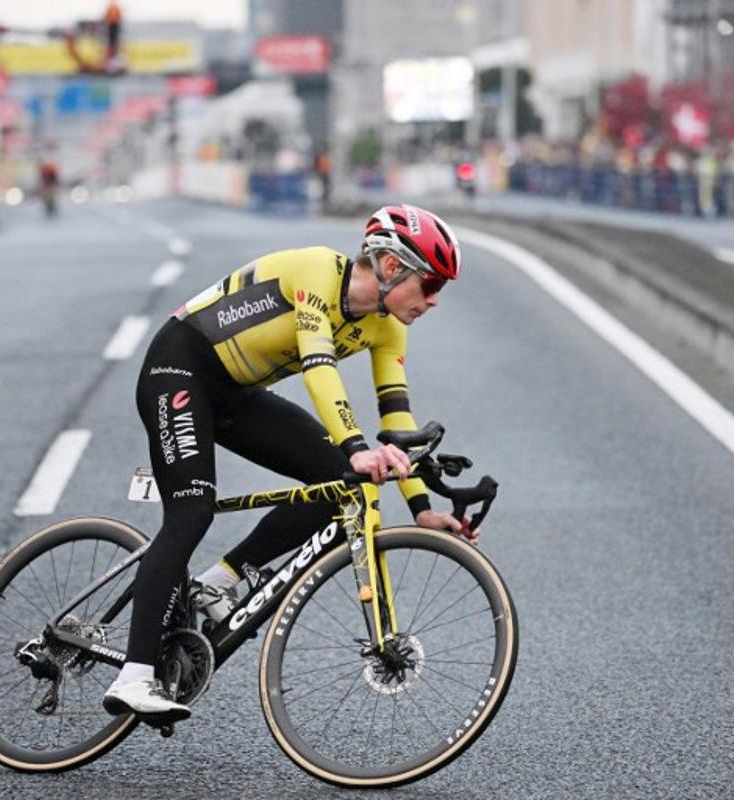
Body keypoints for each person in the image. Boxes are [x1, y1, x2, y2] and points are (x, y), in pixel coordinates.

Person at [102, 204, 476, 721]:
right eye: (431, 284)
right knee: (191, 513)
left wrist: (423, 511)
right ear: (391, 267)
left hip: (234, 394)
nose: (434, 300)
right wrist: (354, 447)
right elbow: (319, 369)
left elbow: (398, 425)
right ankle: (134, 675)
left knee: (339, 485)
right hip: (179, 368)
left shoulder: (388, 326)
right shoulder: (317, 272)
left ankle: (219, 581)